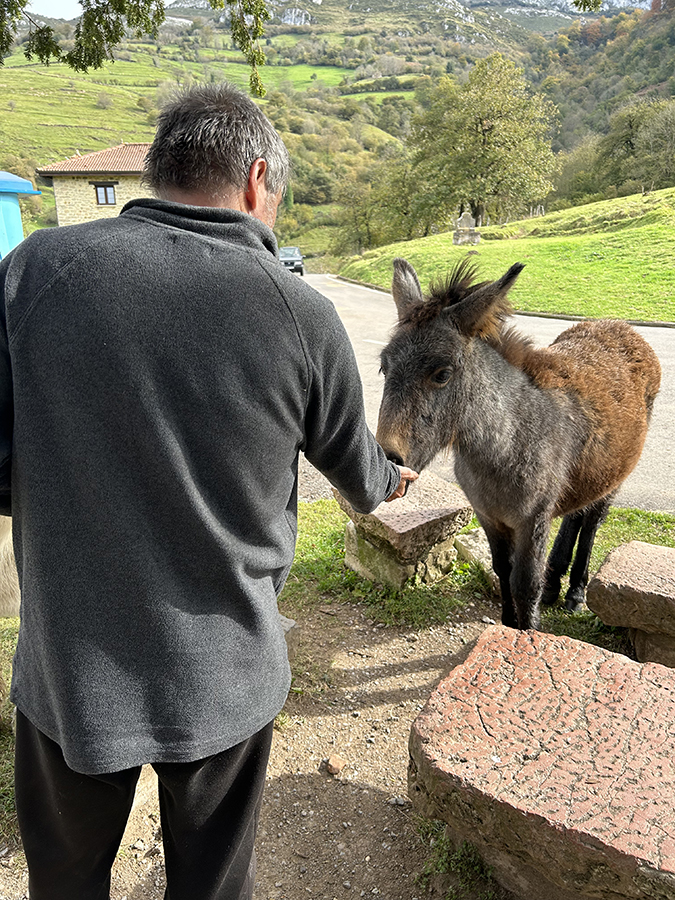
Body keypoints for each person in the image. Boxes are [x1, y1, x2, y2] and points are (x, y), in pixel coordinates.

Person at [0, 83, 417, 900]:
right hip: (223, 674)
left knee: (64, 882)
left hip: (69, 667)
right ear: (258, 179)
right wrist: (391, 478)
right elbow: (362, 480)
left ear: (159, 171)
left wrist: (71, 484)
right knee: (211, 887)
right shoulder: (301, 313)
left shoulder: (35, 271)